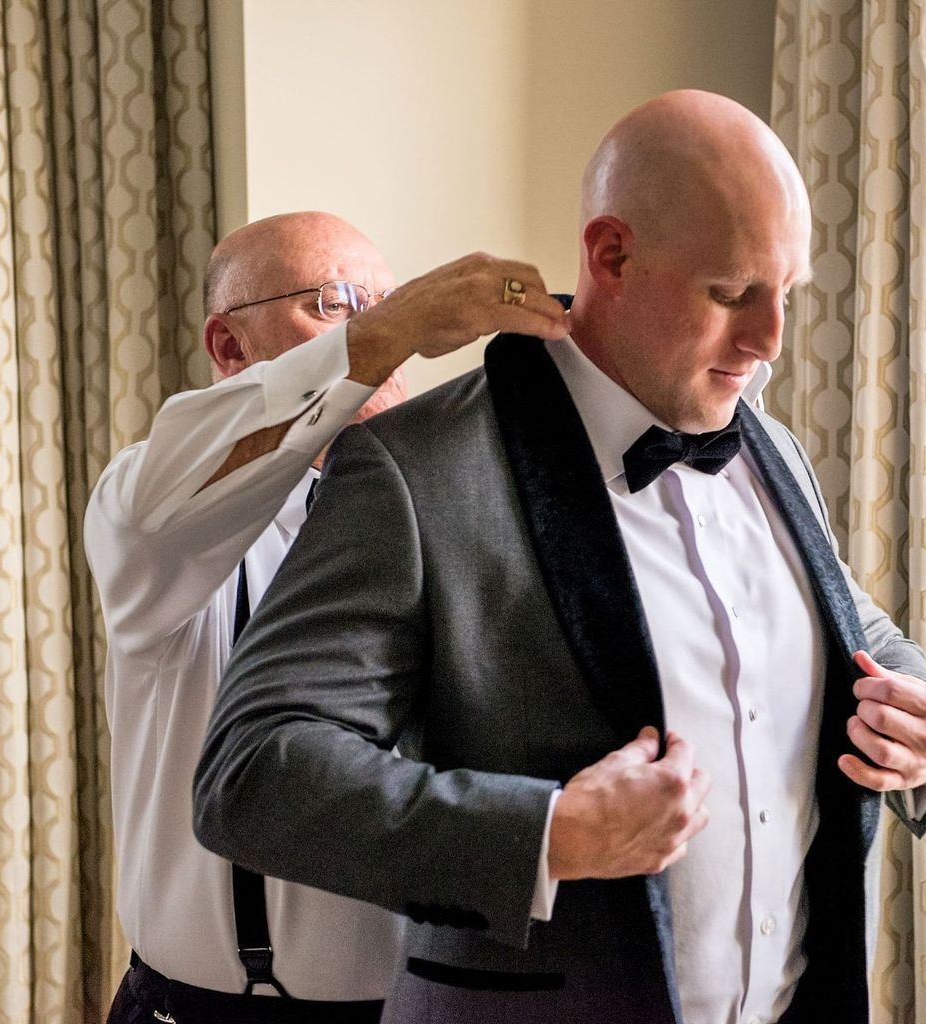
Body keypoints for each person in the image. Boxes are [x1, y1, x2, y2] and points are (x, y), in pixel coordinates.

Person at [193, 94, 926, 1024]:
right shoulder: (417, 472)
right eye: (731, 293)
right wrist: (549, 835)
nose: (769, 342)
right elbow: (254, 772)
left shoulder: (773, 450)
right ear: (610, 255)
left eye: (786, 292)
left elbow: (852, 626)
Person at [85, 210, 569, 1023]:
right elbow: (183, 479)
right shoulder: (152, 514)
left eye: (382, 303)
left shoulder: (457, 512)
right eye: (339, 303)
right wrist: (404, 319)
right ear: (230, 347)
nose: (386, 340)